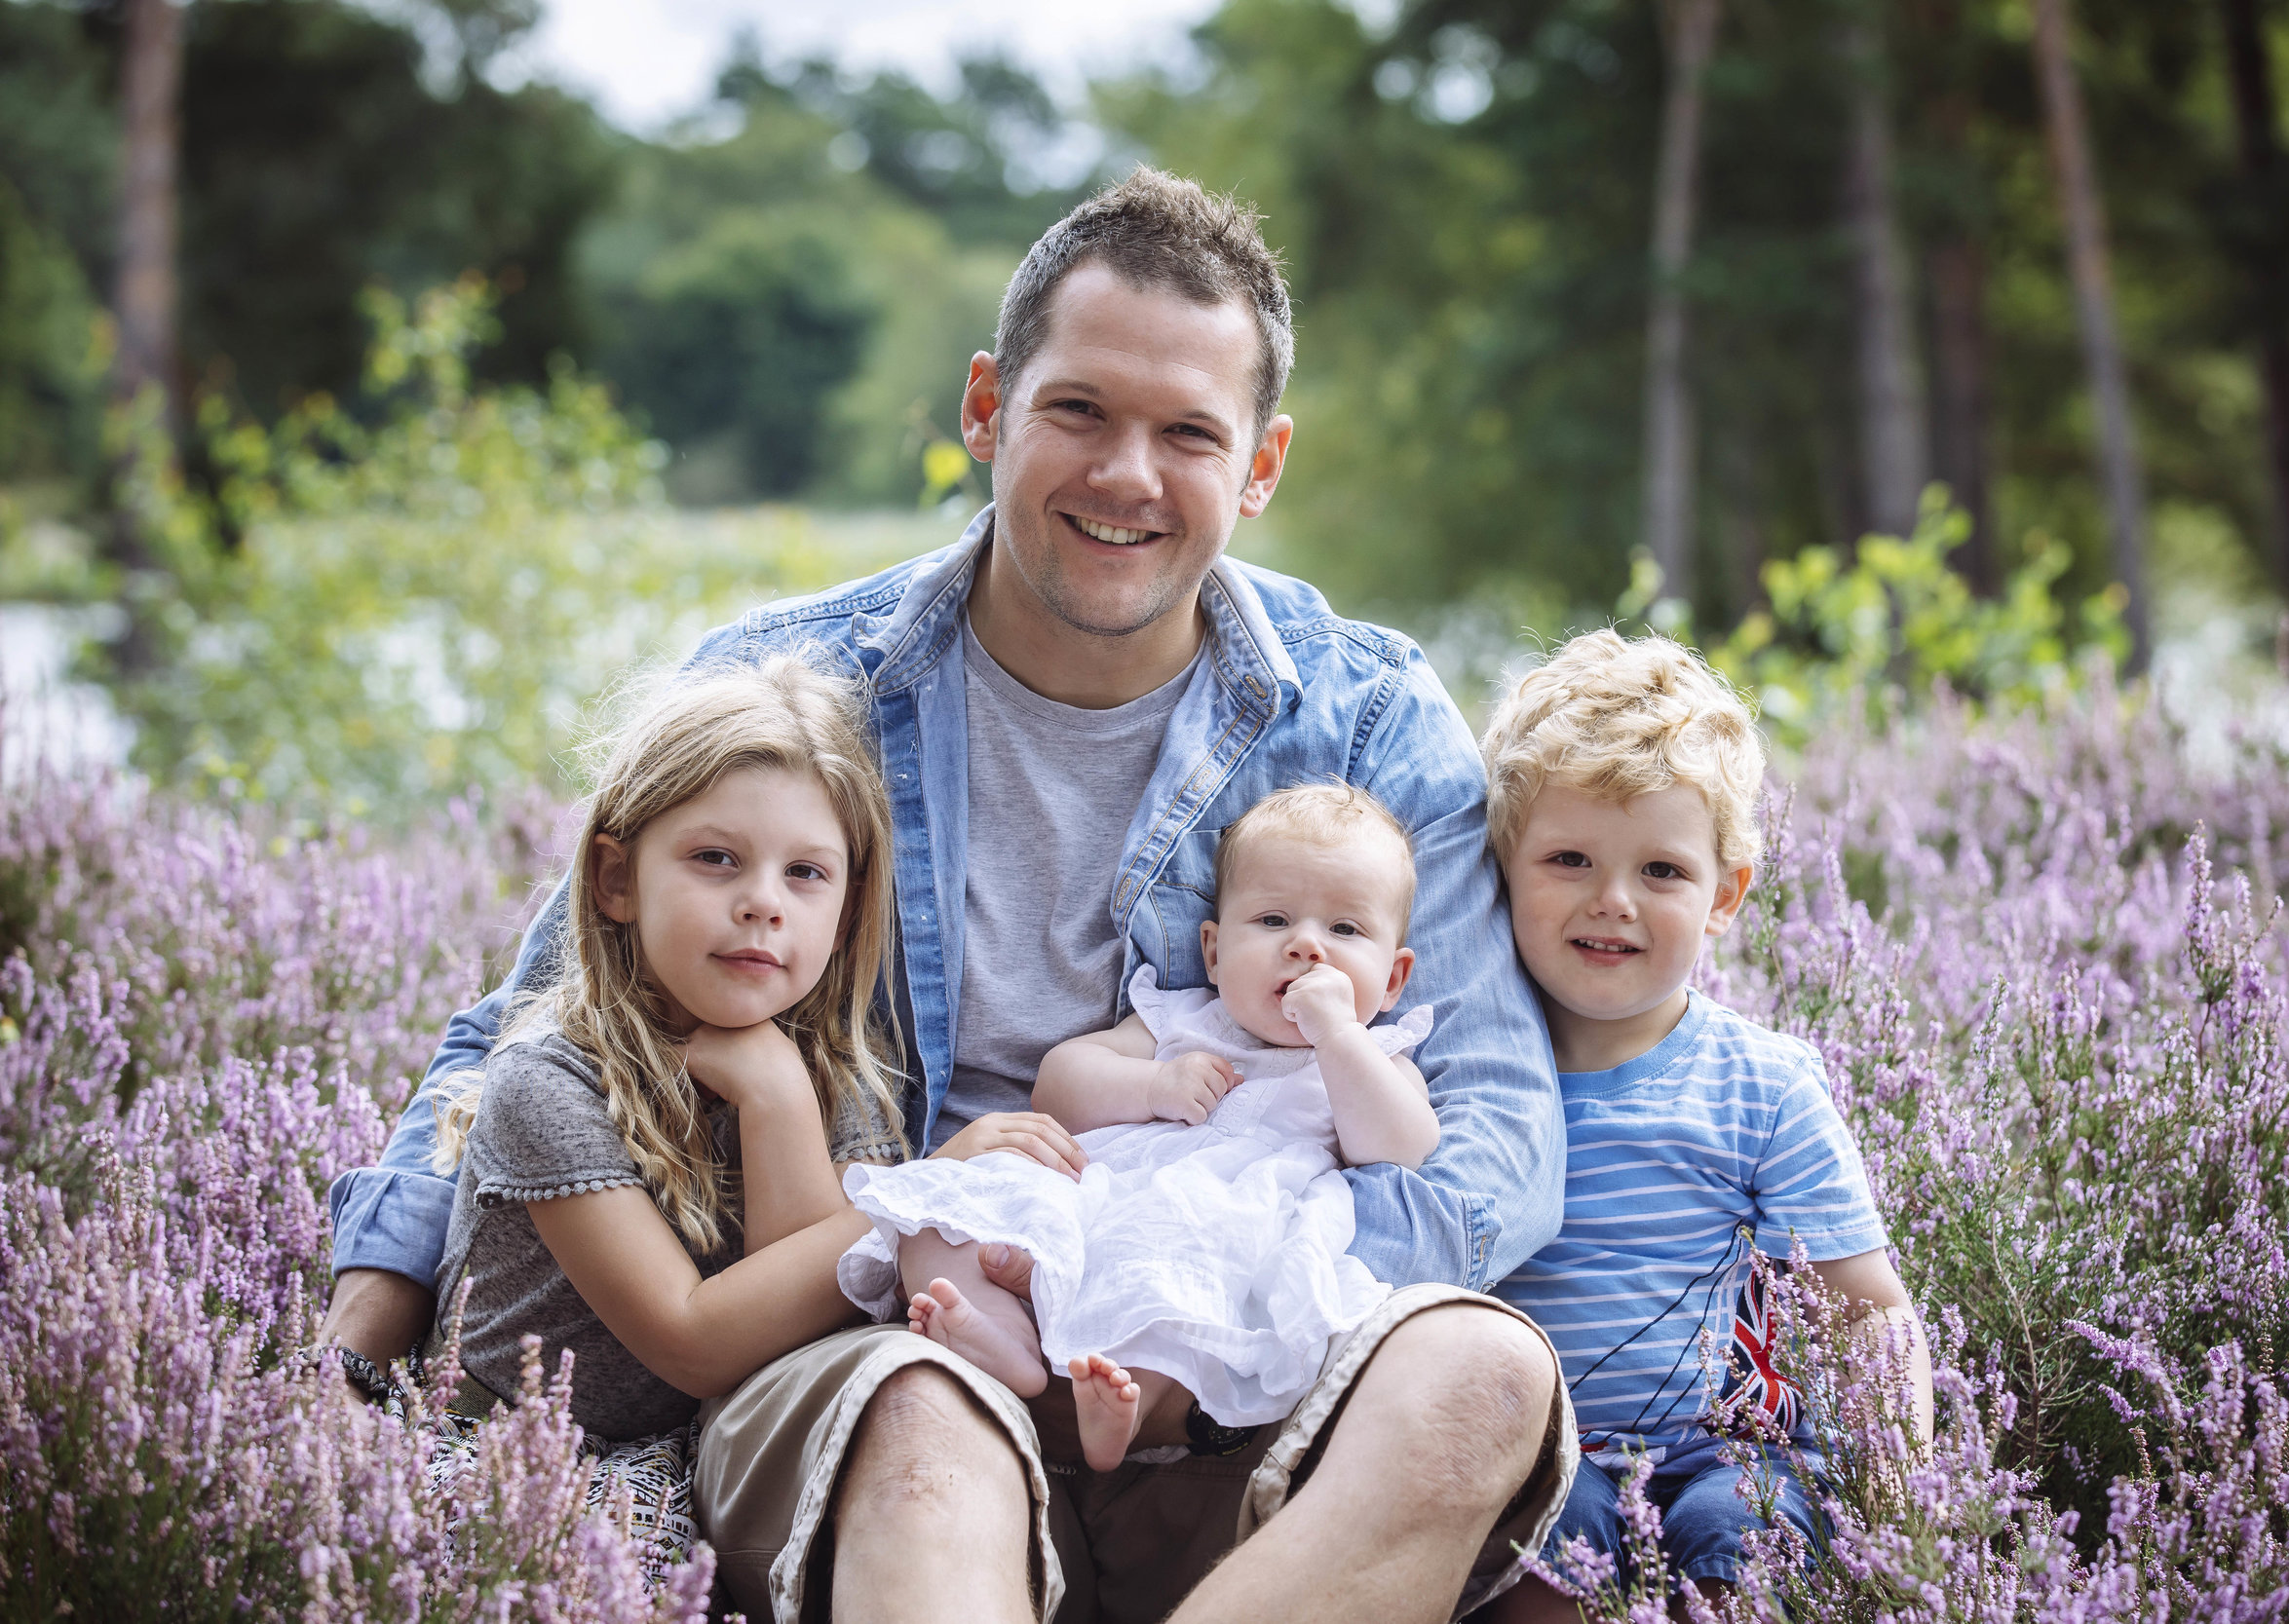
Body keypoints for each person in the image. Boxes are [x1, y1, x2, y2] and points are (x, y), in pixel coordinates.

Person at [317, 167, 1574, 1624]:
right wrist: (349, 1357)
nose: (1127, 475)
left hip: (1228, 1354)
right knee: (927, 1415)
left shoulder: (1365, 716)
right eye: (1078, 410)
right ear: (987, 406)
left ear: (1262, 463)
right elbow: (532, 1029)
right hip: (886, 1330)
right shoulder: (797, 685)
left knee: (1486, 1376)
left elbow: (1499, 1132)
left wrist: (1201, 1305)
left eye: (1188, 432)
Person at [412, 657, 909, 1579]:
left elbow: (806, 1333)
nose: (763, 901)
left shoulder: (834, 1075)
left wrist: (775, 1097)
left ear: (845, 916)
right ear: (617, 878)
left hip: (697, 1463)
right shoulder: (548, 1081)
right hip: (515, 1468)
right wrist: (925, 1200)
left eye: (806, 872)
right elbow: (694, 1339)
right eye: (716, 858)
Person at [1475, 631, 1931, 1617]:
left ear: (1724, 894)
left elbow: (1867, 1309)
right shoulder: (1468, 1070)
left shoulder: (1762, 1084)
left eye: (1662, 871)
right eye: (1568, 858)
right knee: (1538, 1563)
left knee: (1740, 1547)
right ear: (1498, 867)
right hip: (1542, 1453)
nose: (1613, 900)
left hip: (1733, 1447)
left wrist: (1902, 1492)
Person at [837, 783, 1439, 1471]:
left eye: (1345, 931)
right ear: (1214, 952)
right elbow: (1060, 1082)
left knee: (1182, 1296)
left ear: (1393, 979)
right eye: (1273, 920)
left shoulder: (1379, 1059)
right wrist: (1152, 1085)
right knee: (936, 1213)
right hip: (1092, 1192)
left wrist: (1338, 1034)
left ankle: (1124, 1404)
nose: (1306, 946)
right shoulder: (1180, 1020)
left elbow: (1400, 1148)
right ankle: (999, 1337)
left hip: (1214, 1225)